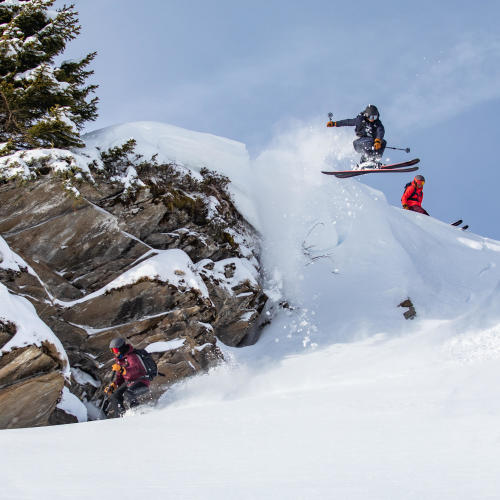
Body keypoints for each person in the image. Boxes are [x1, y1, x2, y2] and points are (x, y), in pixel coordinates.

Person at [104, 337, 150, 417]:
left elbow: (135, 370)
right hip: (130, 383)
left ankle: (137, 412)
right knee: (115, 396)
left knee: (128, 394)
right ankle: (120, 416)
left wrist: (122, 370)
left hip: (141, 381)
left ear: (121, 348)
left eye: (115, 350)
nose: (114, 353)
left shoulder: (132, 357)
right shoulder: (119, 360)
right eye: (112, 351)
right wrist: (114, 385)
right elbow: (120, 377)